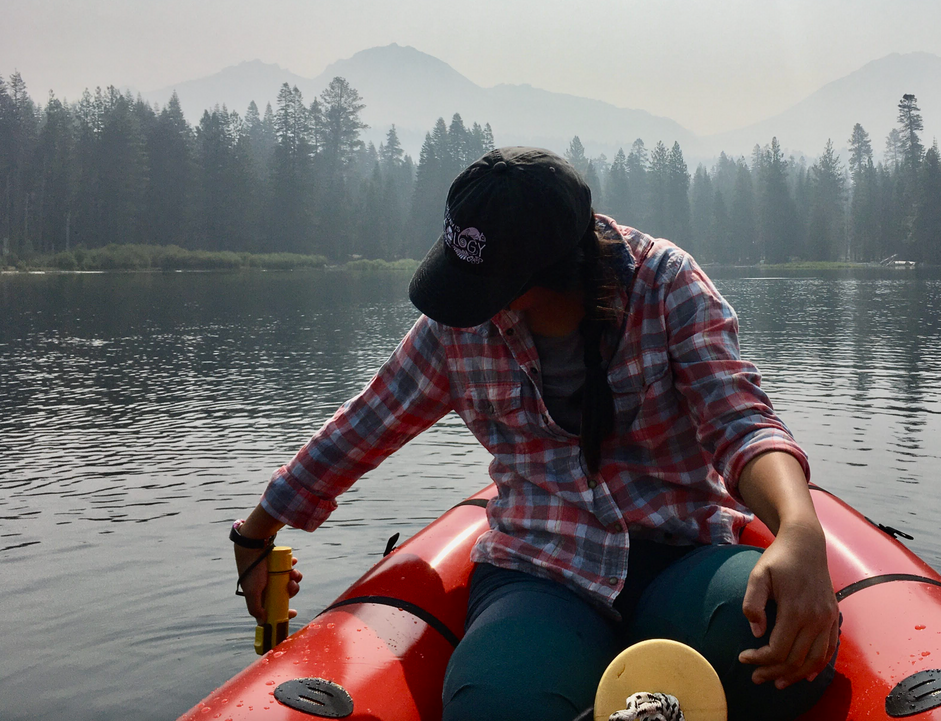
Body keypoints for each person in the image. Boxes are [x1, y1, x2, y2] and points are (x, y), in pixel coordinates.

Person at [231, 147, 839, 721]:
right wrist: (257, 530)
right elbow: (368, 423)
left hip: (681, 554)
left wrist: (800, 529)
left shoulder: (665, 283)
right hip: (539, 570)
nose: (468, 306)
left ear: (538, 280)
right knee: (494, 707)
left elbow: (738, 418)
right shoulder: (457, 327)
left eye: (487, 288)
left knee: (789, 652)